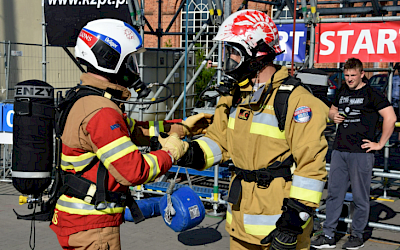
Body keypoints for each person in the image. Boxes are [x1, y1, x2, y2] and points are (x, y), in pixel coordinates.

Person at [163, 9, 329, 250]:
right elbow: (218, 145)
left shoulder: (296, 101)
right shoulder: (233, 98)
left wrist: (291, 227)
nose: (228, 59)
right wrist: (182, 151)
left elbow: (311, 170)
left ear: (256, 54)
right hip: (239, 226)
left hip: (279, 232)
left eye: (233, 52)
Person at [49, 18, 212, 249]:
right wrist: (171, 153)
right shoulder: (102, 112)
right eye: (129, 60)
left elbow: (137, 130)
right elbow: (134, 171)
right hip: (93, 228)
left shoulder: (88, 99)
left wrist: (182, 127)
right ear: (110, 59)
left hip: (80, 222)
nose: (133, 69)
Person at [311, 58, 396, 250]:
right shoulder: (342, 90)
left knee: (360, 197)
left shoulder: (372, 93)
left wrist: (380, 144)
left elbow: (390, 117)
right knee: (334, 195)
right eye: (347, 75)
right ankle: (328, 235)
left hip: (361, 153)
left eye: (352, 76)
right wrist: (334, 116)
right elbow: (331, 110)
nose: (349, 79)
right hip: (340, 149)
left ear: (361, 74)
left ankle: (356, 236)